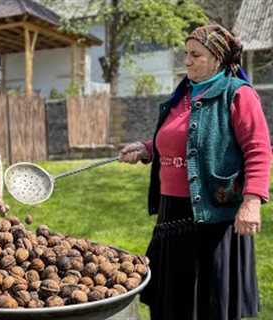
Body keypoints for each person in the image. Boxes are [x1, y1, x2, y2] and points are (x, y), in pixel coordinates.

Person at [119, 24, 271, 320]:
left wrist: (252, 201)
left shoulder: (237, 94)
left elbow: (259, 149)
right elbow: (182, 138)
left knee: (207, 305)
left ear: (217, 57)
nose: (186, 61)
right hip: (171, 212)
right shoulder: (184, 94)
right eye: (185, 53)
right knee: (172, 302)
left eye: (195, 55)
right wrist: (147, 148)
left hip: (212, 215)